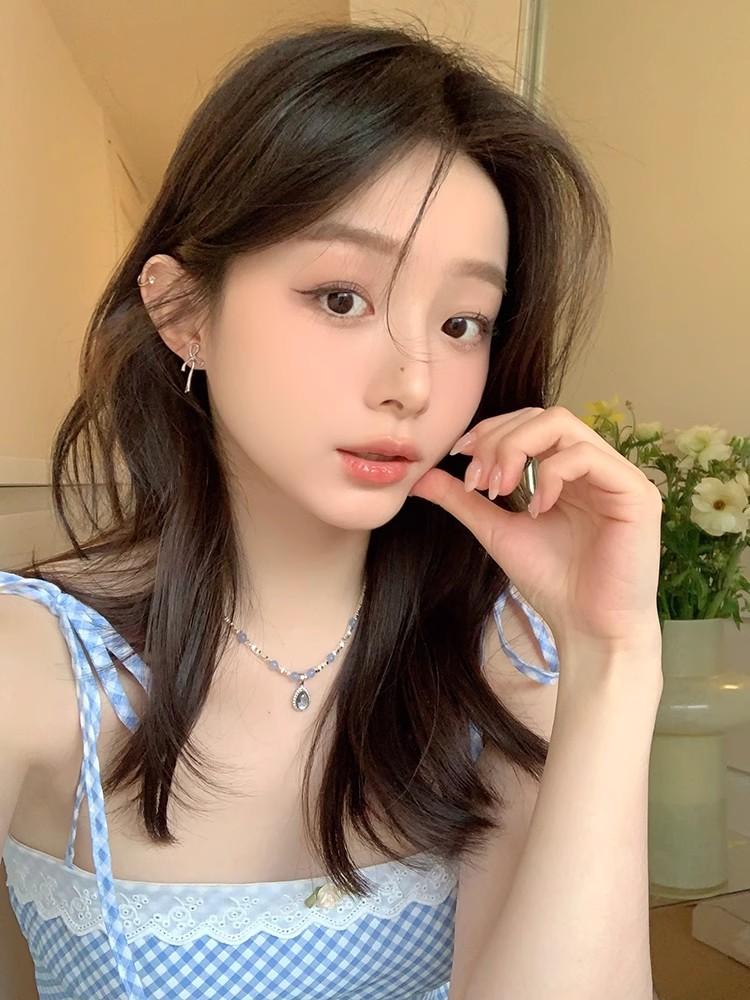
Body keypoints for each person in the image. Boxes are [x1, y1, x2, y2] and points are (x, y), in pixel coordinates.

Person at [0, 18, 664, 1000]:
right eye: (343, 299)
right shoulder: (33, 667)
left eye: (462, 321)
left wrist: (615, 657)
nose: (414, 381)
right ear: (184, 312)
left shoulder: (501, 658)